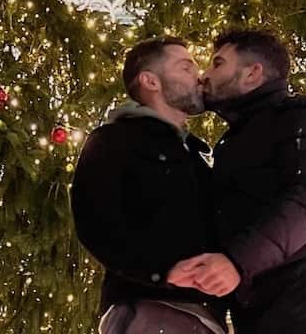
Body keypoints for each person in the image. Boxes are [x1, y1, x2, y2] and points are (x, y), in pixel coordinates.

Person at [168, 29, 306, 334]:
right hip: (258, 305)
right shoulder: (238, 141)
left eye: (218, 63)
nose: (204, 75)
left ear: (252, 73)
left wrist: (237, 262)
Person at [71, 37, 227, 334]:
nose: (200, 75)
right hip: (149, 309)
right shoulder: (114, 140)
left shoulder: (198, 152)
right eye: (185, 67)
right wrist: (160, 271)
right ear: (150, 81)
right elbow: (95, 223)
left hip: (207, 315)